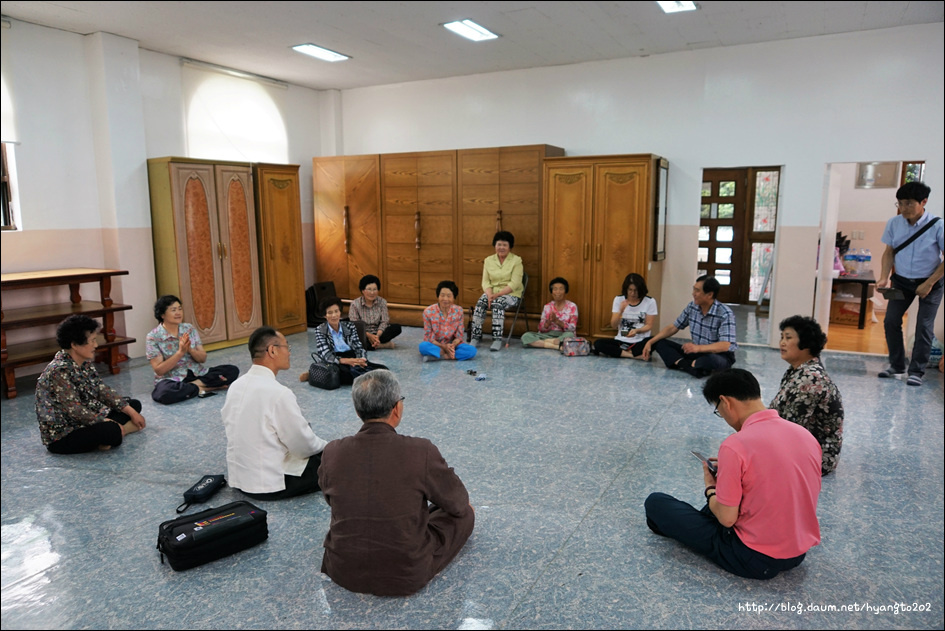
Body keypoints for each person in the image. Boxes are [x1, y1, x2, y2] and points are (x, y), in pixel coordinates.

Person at [644, 369, 822, 580]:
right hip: (797, 554)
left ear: (726, 402)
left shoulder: (735, 445)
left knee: (656, 503)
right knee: (715, 509)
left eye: (718, 410)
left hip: (751, 557)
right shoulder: (805, 435)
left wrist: (711, 488)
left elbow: (727, 519)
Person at [318, 370, 475, 596]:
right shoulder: (421, 450)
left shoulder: (332, 451)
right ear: (397, 408)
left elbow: (331, 499)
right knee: (465, 513)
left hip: (343, 569)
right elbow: (458, 502)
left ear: (357, 411)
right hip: (405, 574)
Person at [222, 327, 327, 500]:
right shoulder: (278, 393)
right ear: (272, 350)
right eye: (287, 347)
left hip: (240, 480)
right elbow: (303, 446)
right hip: (270, 485)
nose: (289, 353)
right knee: (335, 458)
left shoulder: (235, 386)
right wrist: (328, 447)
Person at [35, 315, 146, 453]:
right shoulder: (58, 371)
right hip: (64, 435)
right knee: (111, 430)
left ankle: (112, 436)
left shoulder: (84, 362)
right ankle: (120, 431)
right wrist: (105, 421)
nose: (96, 345)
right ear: (74, 345)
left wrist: (130, 411)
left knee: (133, 405)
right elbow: (75, 410)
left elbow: (101, 390)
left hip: (85, 420)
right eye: (92, 341)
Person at [877, 181, 944, 387]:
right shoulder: (894, 223)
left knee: (924, 326)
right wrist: (883, 277)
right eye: (900, 203)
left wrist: (929, 283)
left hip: (931, 283)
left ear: (923, 202)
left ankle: (916, 371)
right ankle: (897, 365)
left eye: (909, 203)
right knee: (890, 321)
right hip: (901, 281)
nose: (903, 208)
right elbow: (889, 252)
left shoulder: (938, 225)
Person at [770, 316, 844, 476]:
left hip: (815, 456)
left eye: (788, 338)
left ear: (805, 343)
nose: (782, 343)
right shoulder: (797, 370)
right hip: (796, 445)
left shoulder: (811, 378)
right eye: (782, 337)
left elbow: (790, 426)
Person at [145, 295, 239, 404]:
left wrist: (190, 349)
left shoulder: (189, 328)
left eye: (180, 309)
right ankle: (207, 387)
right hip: (172, 379)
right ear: (162, 315)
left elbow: (202, 359)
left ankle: (191, 388)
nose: (178, 313)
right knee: (164, 393)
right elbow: (159, 370)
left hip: (197, 374)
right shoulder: (153, 337)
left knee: (232, 370)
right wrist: (180, 353)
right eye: (173, 310)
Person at [643, 275, 737, 377]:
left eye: (697, 291)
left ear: (710, 294)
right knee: (660, 343)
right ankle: (691, 366)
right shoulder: (692, 307)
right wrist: (650, 341)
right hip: (696, 352)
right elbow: (674, 327)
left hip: (718, 355)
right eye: (694, 289)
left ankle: (682, 363)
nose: (693, 294)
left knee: (711, 360)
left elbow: (725, 345)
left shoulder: (725, 313)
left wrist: (698, 348)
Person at [307, 296, 387, 385]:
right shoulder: (320, 330)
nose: (334, 315)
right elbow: (325, 354)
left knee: (383, 369)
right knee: (347, 374)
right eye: (330, 313)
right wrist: (346, 361)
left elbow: (359, 347)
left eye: (336, 311)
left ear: (340, 312)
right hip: (335, 360)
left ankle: (365, 377)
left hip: (352, 357)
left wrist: (361, 360)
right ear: (325, 315)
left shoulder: (349, 326)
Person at [470, 230, 524, 352]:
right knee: (480, 303)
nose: (501, 247)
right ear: (495, 245)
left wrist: (497, 295)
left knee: (498, 303)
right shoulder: (488, 260)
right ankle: (475, 337)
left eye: (505, 245)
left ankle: (497, 339)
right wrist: (490, 295)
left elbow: (515, 284)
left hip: (511, 294)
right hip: (492, 293)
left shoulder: (516, 261)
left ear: (510, 247)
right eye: (499, 244)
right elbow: (485, 282)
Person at [593, 273, 657, 359]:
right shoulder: (618, 299)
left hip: (640, 340)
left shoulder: (650, 301)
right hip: (621, 340)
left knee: (657, 341)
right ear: (626, 289)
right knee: (598, 343)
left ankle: (622, 353)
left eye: (636, 290)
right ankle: (632, 355)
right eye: (630, 290)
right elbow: (613, 325)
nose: (632, 293)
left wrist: (637, 331)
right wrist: (620, 311)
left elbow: (649, 325)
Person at [419, 280, 478, 361]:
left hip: (453, 345)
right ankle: (450, 355)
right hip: (436, 345)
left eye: (449, 296)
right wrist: (443, 346)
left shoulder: (459, 311)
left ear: (454, 297)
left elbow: (459, 335)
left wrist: (452, 346)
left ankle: (441, 356)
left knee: (472, 350)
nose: (445, 299)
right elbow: (428, 337)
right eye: (442, 295)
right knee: (423, 346)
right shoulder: (428, 312)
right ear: (438, 296)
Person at [347, 274, 402, 350]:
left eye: (375, 289)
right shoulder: (355, 304)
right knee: (352, 337)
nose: (372, 293)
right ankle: (382, 345)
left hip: (379, 332)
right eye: (369, 289)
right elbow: (355, 324)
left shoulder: (382, 302)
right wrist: (369, 335)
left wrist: (377, 336)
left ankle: (374, 343)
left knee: (397, 328)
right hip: (364, 333)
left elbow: (384, 321)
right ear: (363, 290)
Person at [522, 277, 578, 350]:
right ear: (552, 292)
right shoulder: (547, 307)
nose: (558, 292)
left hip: (563, 335)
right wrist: (548, 322)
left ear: (566, 291)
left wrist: (557, 321)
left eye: (561, 289)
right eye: (555, 289)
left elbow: (572, 328)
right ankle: (556, 346)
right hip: (547, 335)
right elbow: (541, 329)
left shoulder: (572, 306)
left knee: (570, 335)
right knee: (526, 336)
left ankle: (544, 343)